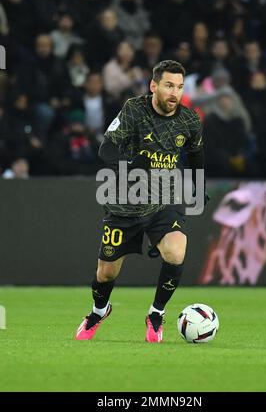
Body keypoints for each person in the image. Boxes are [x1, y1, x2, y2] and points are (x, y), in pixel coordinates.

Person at [75, 60, 207, 343]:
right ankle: (99, 311)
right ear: (154, 86)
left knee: (176, 251)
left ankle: (156, 313)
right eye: (169, 85)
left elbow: (195, 155)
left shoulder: (189, 120)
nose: (175, 93)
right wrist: (132, 164)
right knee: (106, 272)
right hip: (126, 201)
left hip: (165, 199)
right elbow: (105, 148)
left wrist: (198, 184)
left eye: (180, 87)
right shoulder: (134, 110)